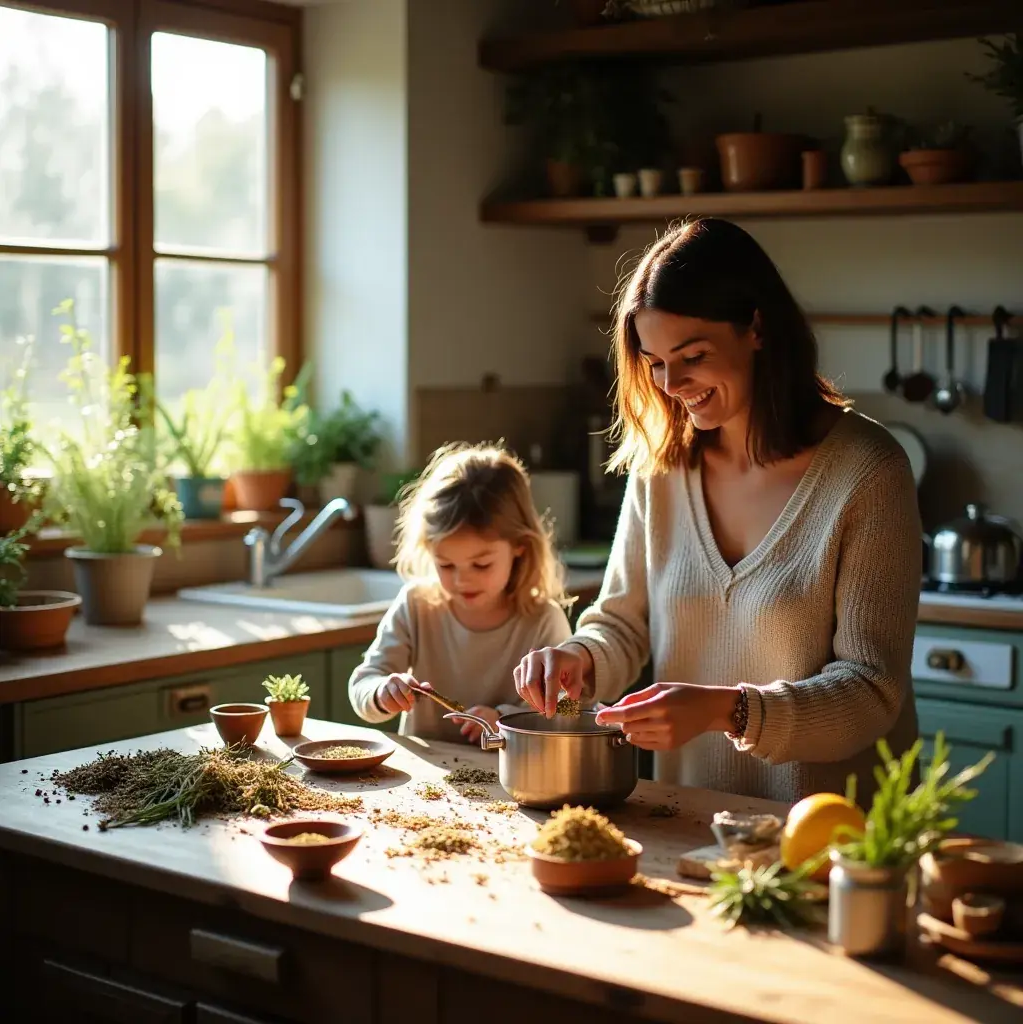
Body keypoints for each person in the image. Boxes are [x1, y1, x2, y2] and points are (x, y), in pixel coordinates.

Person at [514, 218, 921, 803]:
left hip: (835, 834)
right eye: (653, 361)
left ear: (756, 327)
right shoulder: (663, 466)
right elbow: (623, 623)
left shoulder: (868, 470)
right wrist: (579, 657)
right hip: (693, 823)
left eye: (693, 355)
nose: (671, 383)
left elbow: (870, 692)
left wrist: (728, 711)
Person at [349, 442, 573, 743]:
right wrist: (381, 692)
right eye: (445, 564)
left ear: (520, 545)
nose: (461, 580)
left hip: (507, 780)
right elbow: (364, 681)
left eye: (481, 564)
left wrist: (504, 719)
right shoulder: (416, 605)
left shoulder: (544, 619)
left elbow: (566, 709)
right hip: (425, 780)